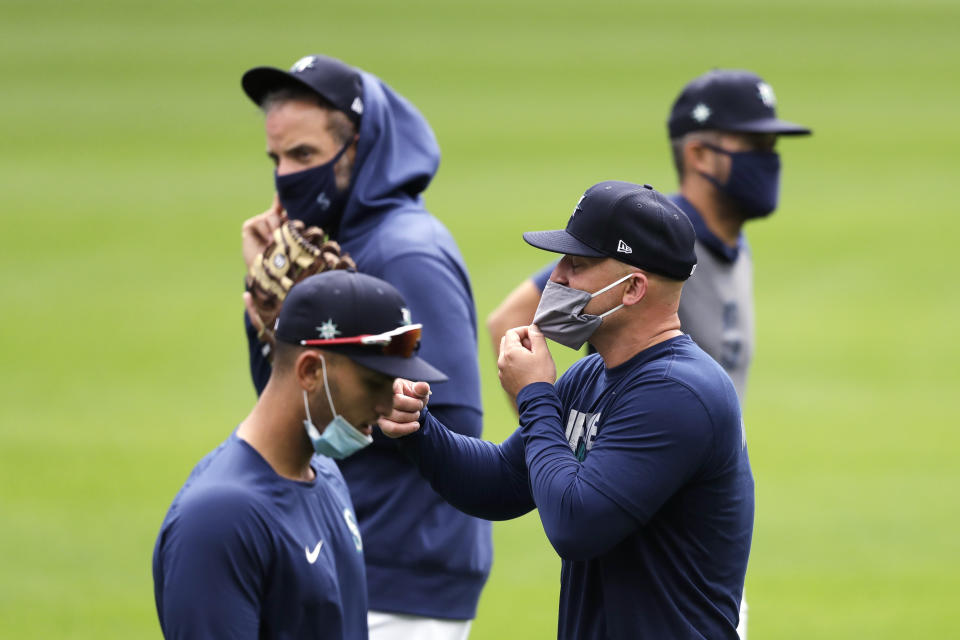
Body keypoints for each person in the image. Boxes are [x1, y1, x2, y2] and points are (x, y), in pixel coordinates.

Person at [485, 71, 810, 636]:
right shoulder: (649, 242)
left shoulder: (731, 247)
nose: (771, 159)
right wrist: (573, 460)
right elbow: (514, 317)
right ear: (701, 153)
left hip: (691, 521)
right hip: (635, 512)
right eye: (755, 145)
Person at [381, 181, 755, 639]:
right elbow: (500, 482)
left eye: (576, 264)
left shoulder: (679, 393)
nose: (556, 278)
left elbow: (577, 525)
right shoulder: (593, 374)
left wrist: (535, 393)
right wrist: (418, 428)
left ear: (633, 287)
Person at [238, 55, 490, 637]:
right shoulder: (324, 248)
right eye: (277, 159)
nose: (286, 177)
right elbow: (287, 404)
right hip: (347, 555)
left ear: (358, 147)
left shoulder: (406, 252)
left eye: (304, 156)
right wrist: (271, 311)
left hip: (401, 575)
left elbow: (454, 419)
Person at [153, 270, 449, 639]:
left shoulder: (325, 475)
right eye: (375, 382)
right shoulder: (218, 519)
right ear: (309, 371)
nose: (391, 401)